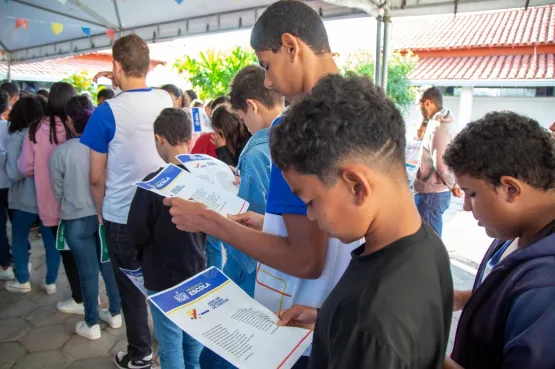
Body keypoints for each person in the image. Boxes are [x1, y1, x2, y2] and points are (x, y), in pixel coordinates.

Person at [163, 2, 360, 367]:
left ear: (291, 46)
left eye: (267, 64)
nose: (268, 81)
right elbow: (317, 232)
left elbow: (306, 258)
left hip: (297, 326)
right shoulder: (362, 107)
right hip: (340, 312)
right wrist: (270, 222)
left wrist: (209, 222)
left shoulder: (299, 128)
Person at [272, 73, 453, 369]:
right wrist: (332, 321)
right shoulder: (428, 244)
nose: (310, 215)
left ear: (356, 185)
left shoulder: (371, 320)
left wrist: (355, 332)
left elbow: (378, 333)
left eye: (310, 201)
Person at [80, 33, 172, 369]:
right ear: (148, 65)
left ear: (116, 66)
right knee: (165, 280)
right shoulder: (165, 99)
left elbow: (95, 177)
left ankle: (141, 355)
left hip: (122, 216)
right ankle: (171, 347)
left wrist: (101, 214)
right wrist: (117, 76)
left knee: (132, 290)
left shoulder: (105, 113)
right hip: (164, 211)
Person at [443, 112, 555, 369]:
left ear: (511, 189)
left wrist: (425, 352)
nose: (467, 207)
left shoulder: (547, 285)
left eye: (472, 194)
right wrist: (462, 298)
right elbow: (511, 298)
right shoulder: (522, 229)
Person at [198, 65, 283, 369]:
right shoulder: (292, 136)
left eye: (243, 118)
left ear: (252, 106)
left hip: (250, 270)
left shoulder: (256, 150)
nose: (243, 125)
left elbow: (250, 222)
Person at [128, 108, 206, 369]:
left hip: (162, 279)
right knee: (194, 339)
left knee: (170, 343)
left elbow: (137, 231)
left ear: (160, 139)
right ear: (190, 138)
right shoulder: (203, 180)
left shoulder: (154, 183)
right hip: (196, 271)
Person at [49, 95, 122, 340]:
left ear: (69, 121)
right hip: (104, 216)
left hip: (75, 219)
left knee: (87, 272)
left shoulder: (61, 152)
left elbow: (58, 191)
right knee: (109, 268)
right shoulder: (104, 147)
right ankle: (115, 313)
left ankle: (91, 324)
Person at [13, 82, 84, 315]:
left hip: (50, 202)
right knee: (85, 254)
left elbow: (25, 167)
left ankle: (78, 298)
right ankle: (89, 298)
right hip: (82, 202)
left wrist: (43, 168)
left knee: (64, 250)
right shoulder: (77, 126)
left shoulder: (36, 129)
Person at [4, 96, 59, 291]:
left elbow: (14, 172)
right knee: (51, 241)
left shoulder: (17, 136)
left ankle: (23, 281)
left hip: (24, 199)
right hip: (50, 197)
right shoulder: (50, 133)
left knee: (19, 238)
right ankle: (51, 281)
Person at [413, 85, 461, 236]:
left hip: (431, 193)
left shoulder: (440, 127)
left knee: (429, 239)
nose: (418, 109)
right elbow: (419, 136)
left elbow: (441, 164)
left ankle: (434, 261)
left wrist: (453, 185)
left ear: (427, 103)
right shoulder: (436, 123)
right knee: (427, 238)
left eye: (418, 105)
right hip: (432, 192)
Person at [0, 90, 13, 280]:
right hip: (11, 183)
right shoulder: (10, 127)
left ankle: (5, 266)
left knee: (1, 226)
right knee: (18, 223)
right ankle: (22, 259)